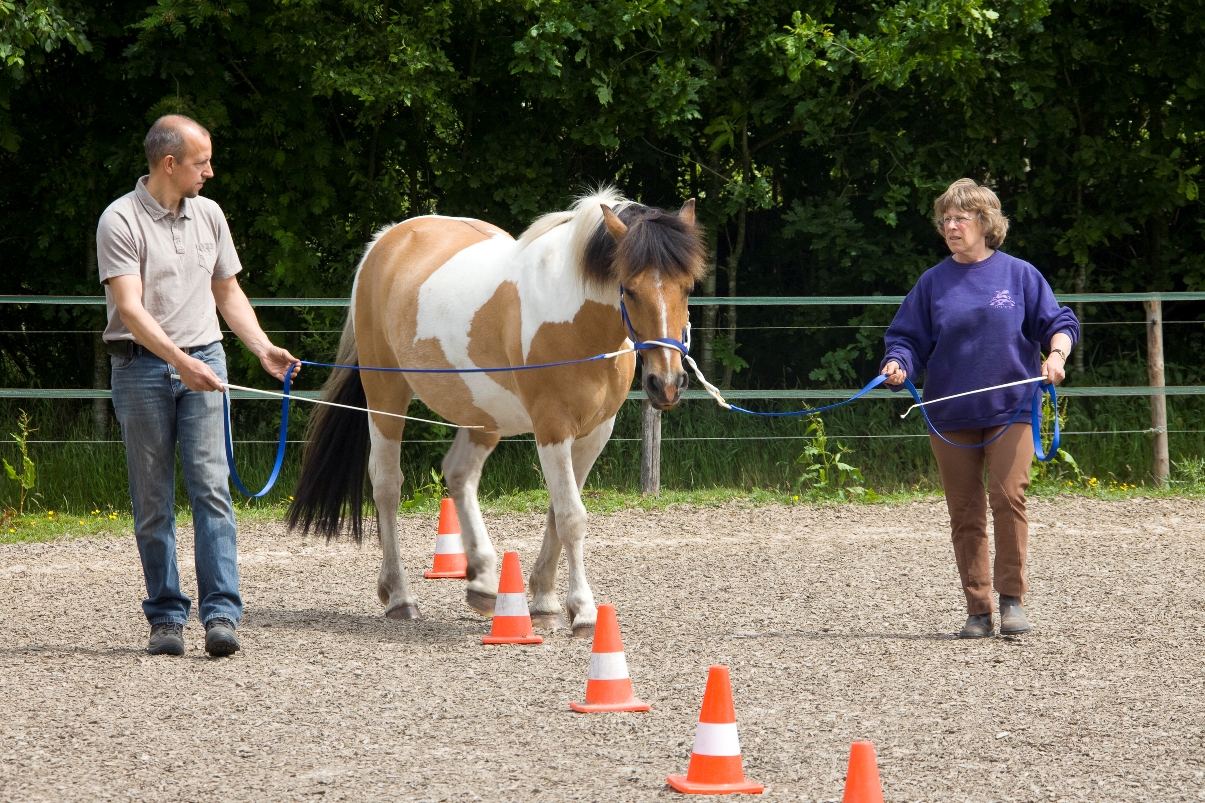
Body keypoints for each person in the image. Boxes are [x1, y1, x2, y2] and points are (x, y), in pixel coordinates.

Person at [97, 114, 300, 657]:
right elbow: (131, 310)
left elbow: (227, 293)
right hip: (140, 367)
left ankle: (221, 616)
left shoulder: (209, 215)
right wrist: (179, 361)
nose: (210, 171)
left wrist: (262, 349)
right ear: (170, 164)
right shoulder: (119, 220)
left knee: (211, 490)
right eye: (201, 161)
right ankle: (165, 617)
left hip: (206, 362)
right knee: (153, 497)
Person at [880, 178, 1079, 639]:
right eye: (945, 220)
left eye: (959, 219)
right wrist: (896, 364)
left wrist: (1056, 356)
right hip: (950, 416)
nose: (950, 226)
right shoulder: (932, 283)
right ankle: (977, 608)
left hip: (1011, 409)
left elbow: (1059, 322)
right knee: (964, 512)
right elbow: (907, 339)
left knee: (1009, 498)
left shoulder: (1020, 275)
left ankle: (1012, 599)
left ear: (985, 223)